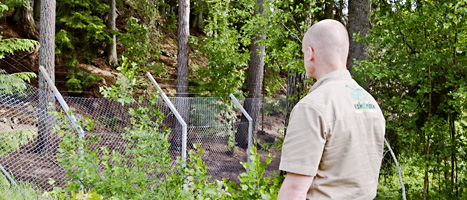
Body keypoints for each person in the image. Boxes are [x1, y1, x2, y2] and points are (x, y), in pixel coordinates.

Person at [277, 19, 386, 200]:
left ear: (310, 53)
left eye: (304, 52)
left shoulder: (312, 107)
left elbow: (294, 191)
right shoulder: (370, 103)